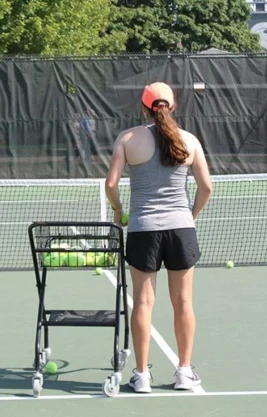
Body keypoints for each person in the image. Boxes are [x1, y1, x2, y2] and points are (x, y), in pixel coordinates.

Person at [105, 82, 212, 393]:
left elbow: (111, 183)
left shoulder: (127, 138)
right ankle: (184, 372)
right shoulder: (189, 141)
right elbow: (206, 187)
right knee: (183, 302)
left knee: (142, 302)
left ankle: (141, 376)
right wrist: (189, 216)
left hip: (143, 229)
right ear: (172, 106)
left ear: (143, 108)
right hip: (181, 230)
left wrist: (118, 210)